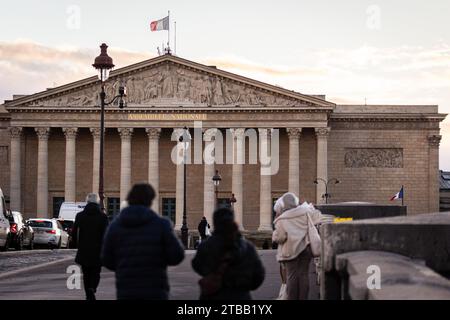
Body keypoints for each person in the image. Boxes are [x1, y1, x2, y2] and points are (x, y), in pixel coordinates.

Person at [101, 183, 184, 300]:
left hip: (126, 290)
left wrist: (123, 267)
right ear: (150, 201)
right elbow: (177, 256)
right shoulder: (162, 225)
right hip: (155, 290)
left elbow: (106, 260)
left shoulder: (115, 226)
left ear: (129, 199)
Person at [192, 207, 265, 300]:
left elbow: (197, 266)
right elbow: (258, 275)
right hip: (240, 296)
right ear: (232, 221)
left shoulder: (206, 245)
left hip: (213, 295)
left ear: (215, 222)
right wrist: (244, 287)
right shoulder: (247, 246)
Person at [272, 192, 322, 300]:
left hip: (290, 251)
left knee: (291, 276)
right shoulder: (305, 212)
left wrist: (274, 236)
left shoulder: (282, 219)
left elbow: (280, 237)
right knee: (304, 275)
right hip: (305, 248)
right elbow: (318, 218)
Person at [72, 193, 109, 300]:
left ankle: (88, 294)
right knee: (96, 272)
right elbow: (107, 234)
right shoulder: (103, 217)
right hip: (98, 250)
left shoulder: (80, 216)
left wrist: (76, 244)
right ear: (98, 202)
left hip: (84, 250)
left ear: (87, 202)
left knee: (86, 273)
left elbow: (74, 232)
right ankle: (92, 288)